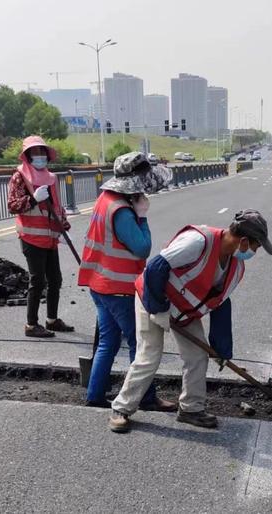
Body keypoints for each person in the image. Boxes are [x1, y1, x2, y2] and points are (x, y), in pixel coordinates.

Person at [108, 210, 272, 432]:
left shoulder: (236, 267)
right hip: (152, 297)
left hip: (185, 311)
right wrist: (158, 308)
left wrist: (222, 350)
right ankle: (121, 408)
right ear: (243, 241)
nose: (254, 252)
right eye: (255, 247)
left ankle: (190, 409)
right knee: (149, 355)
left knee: (197, 356)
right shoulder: (199, 241)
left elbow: (221, 305)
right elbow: (156, 268)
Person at [78, 151, 176, 411]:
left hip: (99, 284)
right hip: (118, 288)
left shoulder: (105, 199)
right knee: (140, 343)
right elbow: (142, 248)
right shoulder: (122, 210)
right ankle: (144, 397)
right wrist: (141, 216)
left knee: (108, 341)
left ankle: (95, 395)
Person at [7, 135, 73, 338]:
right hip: (31, 237)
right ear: (27, 156)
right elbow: (12, 205)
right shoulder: (19, 177)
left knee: (55, 279)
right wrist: (33, 199)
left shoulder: (51, 178)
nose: (39, 156)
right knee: (37, 281)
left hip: (50, 237)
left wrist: (62, 224)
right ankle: (31, 325)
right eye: (35, 153)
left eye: (42, 152)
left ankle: (52, 320)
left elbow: (56, 206)